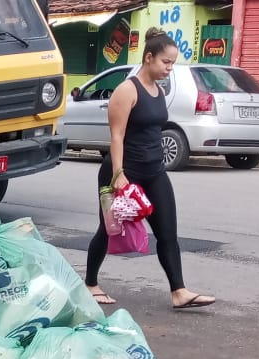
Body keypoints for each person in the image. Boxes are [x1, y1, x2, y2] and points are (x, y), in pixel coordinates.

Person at [86, 28, 216, 310]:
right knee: (107, 230)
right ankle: (90, 284)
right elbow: (116, 135)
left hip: (154, 171)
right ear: (148, 58)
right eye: (165, 62)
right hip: (124, 172)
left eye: (172, 63)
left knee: (168, 232)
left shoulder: (157, 90)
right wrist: (118, 174)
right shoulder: (127, 90)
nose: (169, 68)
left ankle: (179, 291)